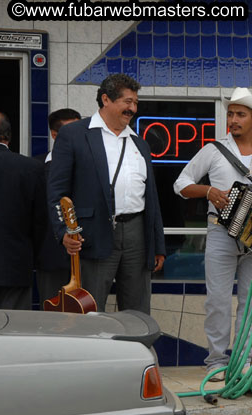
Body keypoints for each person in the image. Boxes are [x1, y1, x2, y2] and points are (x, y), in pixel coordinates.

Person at [173, 87, 252, 381]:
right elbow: (181, 183)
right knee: (218, 301)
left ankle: (244, 360)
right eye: (231, 114)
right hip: (220, 233)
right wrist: (208, 191)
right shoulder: (213, 151)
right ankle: (216, 361)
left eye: (240, 114)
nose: (233, 119)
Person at [47, 74, 165, 314]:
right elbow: (57, 190)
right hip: (94, 233)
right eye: (127, 101)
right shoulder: (75, 134)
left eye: (135, 103)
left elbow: (150, 198)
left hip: (137, 233)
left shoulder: (139, 142)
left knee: (137, 309)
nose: (132, 108)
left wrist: (158, 244)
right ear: (105, 100)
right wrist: (63, 232)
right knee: (91, 308)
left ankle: (136, 352)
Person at [0, 110, 47, 309]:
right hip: (16, 265)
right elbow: (41, 221)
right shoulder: (32, 168)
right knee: (11, 331)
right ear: (8, 137)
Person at [35, 108, 81, 303]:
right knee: (51, 317)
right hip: (49, 255)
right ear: (55, 135)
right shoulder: (34, 167)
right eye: (72, 131)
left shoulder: (94, 164)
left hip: (86, 256)